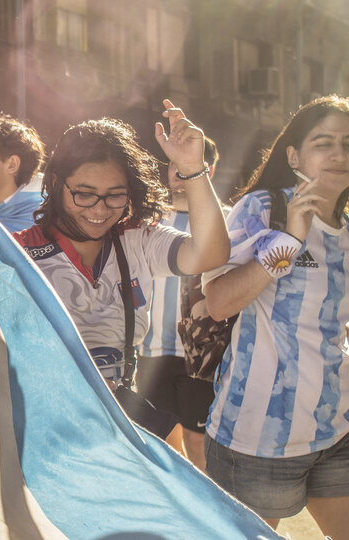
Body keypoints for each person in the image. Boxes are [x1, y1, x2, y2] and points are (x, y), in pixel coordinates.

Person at [202, 95, 349, 536]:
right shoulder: (263, 209)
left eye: (348, 143)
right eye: (324, 142)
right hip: (256, 439)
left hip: (335, 429)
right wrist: (288, 240)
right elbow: (219, 302)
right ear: (294, 155)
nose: (339, 154)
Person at [13, 101, 228, 394]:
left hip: (118, 425)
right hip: (46, 426)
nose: (99, 210)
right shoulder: (16, 254)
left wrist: (193, 168)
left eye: (115, 195)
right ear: (54, 183)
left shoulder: (137, 238)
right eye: (85, 194)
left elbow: (211, 254)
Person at [136, 136, 221, 469]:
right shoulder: (147, 219)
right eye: (172, 164)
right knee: (161, 442)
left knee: (198, 445)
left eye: (186, 165)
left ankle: (210, 517)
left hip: (200, 356)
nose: (176, 172)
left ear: (207, 170)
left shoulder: (223, 220)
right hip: (151, 351)